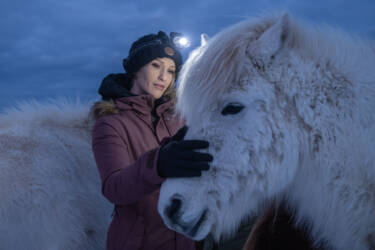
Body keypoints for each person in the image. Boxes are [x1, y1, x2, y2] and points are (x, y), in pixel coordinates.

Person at [91, 31, 213, 250]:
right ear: (136, 69)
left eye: (171, 70)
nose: (163, 77)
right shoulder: (110, 123)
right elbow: (114, 188)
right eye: (156, 65)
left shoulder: (182, 118)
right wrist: (158, 164)